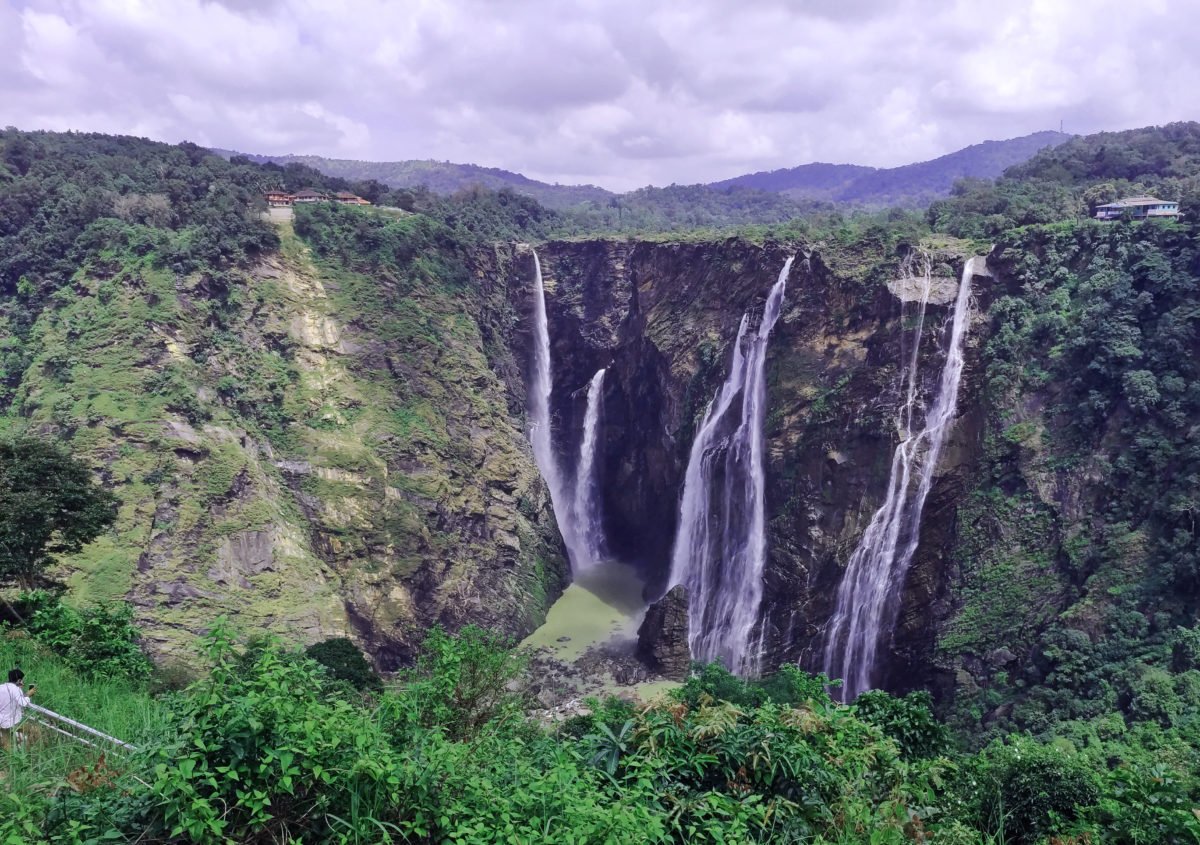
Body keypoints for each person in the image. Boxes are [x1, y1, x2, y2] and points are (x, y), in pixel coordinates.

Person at [0, 668, 35, 749]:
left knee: (6, 737)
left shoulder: (1, 687)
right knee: (8, 740)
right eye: (22, 680)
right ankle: (11, 754)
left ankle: (10, 748)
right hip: (10, 721)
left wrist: (23, 693)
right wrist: (29, 695)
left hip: (1, 719)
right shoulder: (16, 689)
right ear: (19, 680)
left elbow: (14, 698)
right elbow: (23, 703)